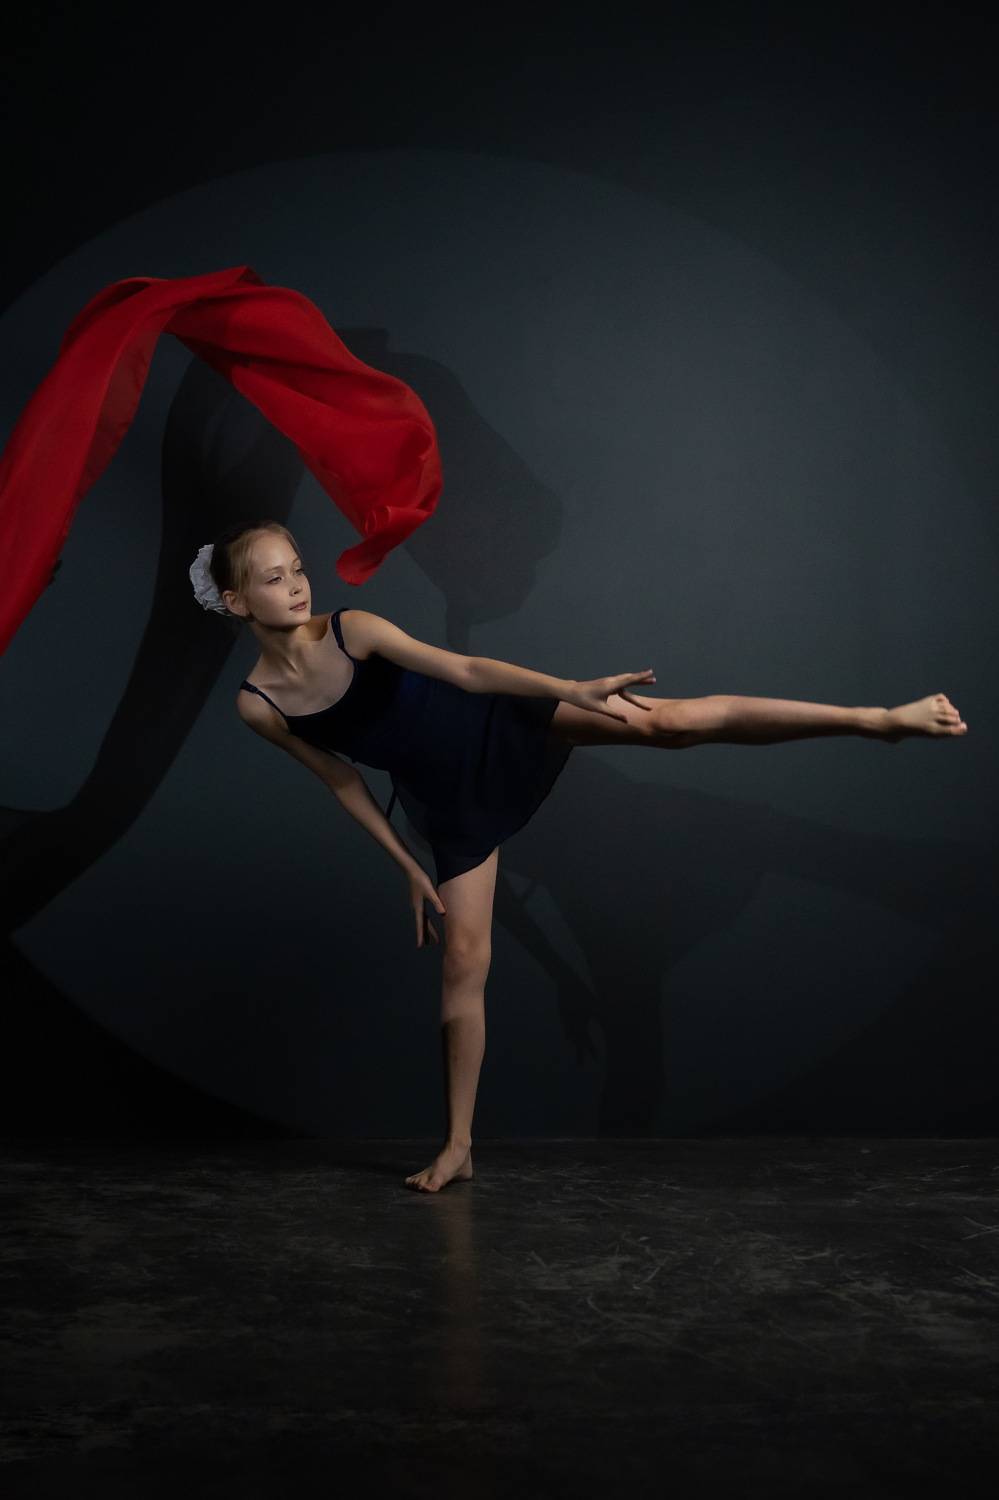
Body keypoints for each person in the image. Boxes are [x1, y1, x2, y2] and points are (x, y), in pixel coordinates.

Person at [192, 520, 968, 1192]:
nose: (296, 586)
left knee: (667, 724)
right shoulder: (259, 704)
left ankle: (877, 719)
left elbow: (465, 670)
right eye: (273, 578)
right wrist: (407, 864)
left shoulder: (352, 628)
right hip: (447, 803)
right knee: (463, 963)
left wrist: (571, 689)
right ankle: (458, 1146)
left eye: (297, 568)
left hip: (494, 725)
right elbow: (341, 780)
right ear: (236, 601)